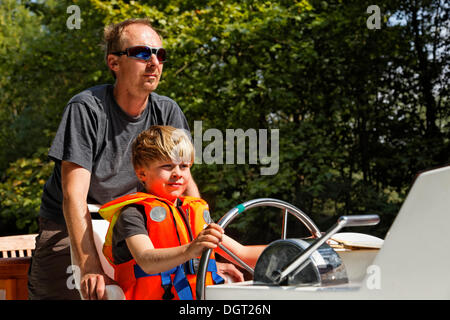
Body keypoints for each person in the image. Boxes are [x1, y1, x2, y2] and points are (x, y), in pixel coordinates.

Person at [28, 18, 242, 300]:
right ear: (114, 63)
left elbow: (185, 190)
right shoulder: (86, 108)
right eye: (142, 53)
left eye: (160, 54)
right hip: (72, 225)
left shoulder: (168, 110)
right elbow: (73, 196)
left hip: (135, 221)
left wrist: (208, 259)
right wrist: (90, 266)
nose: (154, 62)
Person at [99, 126, 265, 300]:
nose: (177, 173)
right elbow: (146, 260)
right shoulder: (133, 213)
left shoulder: (193, 212)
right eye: (167, 166)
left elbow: (243, 254)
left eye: (184, 166)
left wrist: (289, 251)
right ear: (142, 173)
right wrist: (190, 250)